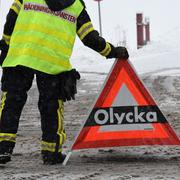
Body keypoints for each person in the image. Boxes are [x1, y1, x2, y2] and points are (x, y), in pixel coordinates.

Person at [0, 0, 129, 165]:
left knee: (11, 102)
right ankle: (51, 152)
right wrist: (111, 51)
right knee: (51, 107)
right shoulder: (76, 5)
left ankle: (3, 148)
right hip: (53, 63)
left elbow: (10, 21)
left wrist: (5, 46)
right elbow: (89, 38)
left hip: (20, 56)